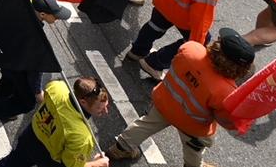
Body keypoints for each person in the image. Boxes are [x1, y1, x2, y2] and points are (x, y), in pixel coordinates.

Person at [106, 31, 255, 166]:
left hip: (164, 102)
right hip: (192, 125)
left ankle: (121, 148)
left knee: (144, 124)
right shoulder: (227, 91)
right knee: (193, 150)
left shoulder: (191, 49)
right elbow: (225, 120)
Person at [0, 0, 74, 136]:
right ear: (42, 14)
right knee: (26, 103)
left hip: (8, 59)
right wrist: (37, 92)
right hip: (19, 66)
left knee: (7, 81)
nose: (57, 18)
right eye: (54, 15)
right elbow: (35, 68)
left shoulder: (20, 13)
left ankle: (2, 106)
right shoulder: (35, 39)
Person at [0, 78, 110, 167]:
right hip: (48, 158)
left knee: (11, 163)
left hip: (30, 137)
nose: (106, 111)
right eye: (100, 108)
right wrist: (97, 163)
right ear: (83, 102)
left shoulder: (57, 87)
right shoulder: (82, 137)